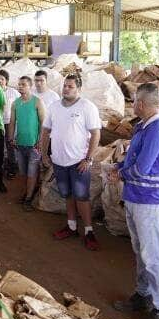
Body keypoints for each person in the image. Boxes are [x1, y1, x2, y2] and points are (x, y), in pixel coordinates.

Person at [109, 83, 159, 319]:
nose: (133, 105)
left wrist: (121, 173)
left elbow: (141, 168)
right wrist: (120, 167)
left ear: (143, 104)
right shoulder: (143, 127)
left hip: (150, 201)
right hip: (137, 198)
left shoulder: (157, 130)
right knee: (141, 250)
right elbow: (134, 158)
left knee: (152, 254)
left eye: (136, 101)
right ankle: (143, 294)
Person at [41, 73, 101, 251]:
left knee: (82, 197)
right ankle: (72, 226)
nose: (66, 89)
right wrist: (44, 154)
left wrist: (88, 158)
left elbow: (96, 133)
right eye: (65, 86)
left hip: (78, 162)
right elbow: (46, 131)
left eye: (70, 86)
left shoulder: (87, 107)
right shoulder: (53, 107)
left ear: (79, 89)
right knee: (67, 195)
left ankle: (89, 231)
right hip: (59, 161)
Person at [8, 76, 45, 211]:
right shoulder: (15, 103)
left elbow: (43, 123)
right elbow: (12, 122)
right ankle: (27, 193)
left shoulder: (37, 102)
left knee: (31, 173)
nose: (20, 86)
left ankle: (29, 198)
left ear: (30, 86)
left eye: (23, 84)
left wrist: (40, 141)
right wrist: (11, 138)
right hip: (20, 144)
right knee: (23, 173)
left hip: (34, 145)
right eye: (19, 84)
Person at [0, 69, 20, 179]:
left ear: (6, 80)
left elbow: (20, 104)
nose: (0, 81)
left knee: (10, 145)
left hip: (10, 123)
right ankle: (0, 167)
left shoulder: (13, 92)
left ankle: (12, 167)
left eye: (2, 79)